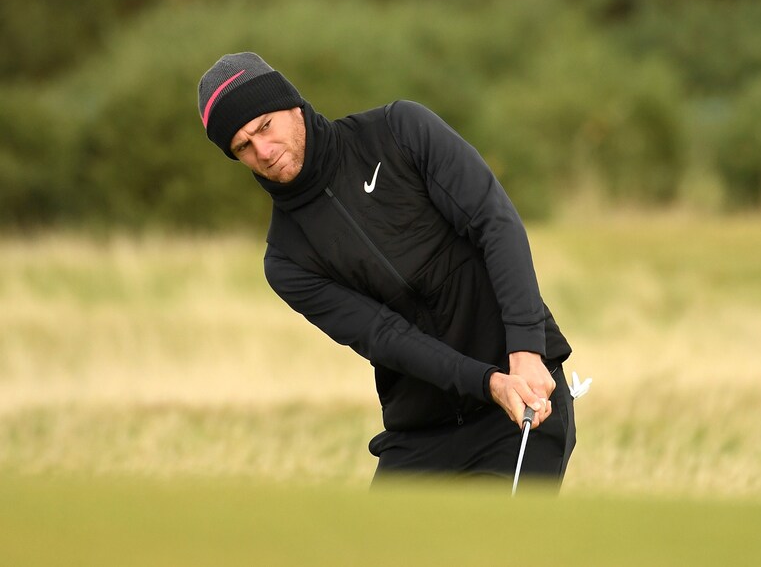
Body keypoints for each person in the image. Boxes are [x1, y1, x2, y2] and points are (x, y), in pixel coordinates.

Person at [197, 52, 575, 488]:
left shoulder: (400, 131)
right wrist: (488, 383)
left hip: (523, 400)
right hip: (420, 434)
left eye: (265, 126)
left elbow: (496, 223)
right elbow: (386, 337)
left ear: (293, 105)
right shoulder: (286, 260)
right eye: (243, 146)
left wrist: (526, 352)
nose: (263, 151)